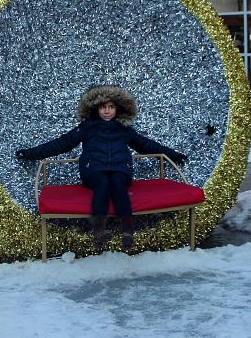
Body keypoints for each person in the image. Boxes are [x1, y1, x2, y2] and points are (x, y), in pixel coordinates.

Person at [15, 85, 187, 252]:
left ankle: (127, 230)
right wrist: (30, 153)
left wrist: (173, 155)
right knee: (103, 183)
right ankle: (99, 230)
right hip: (94, 170)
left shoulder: (124, 130)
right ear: (95, 109)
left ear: (118, 109)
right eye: (103, 107)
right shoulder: (87, 127)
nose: (107, 111)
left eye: (111, 107)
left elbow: (147, 145)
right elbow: (61, 144)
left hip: (120, 169)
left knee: (118, 183)